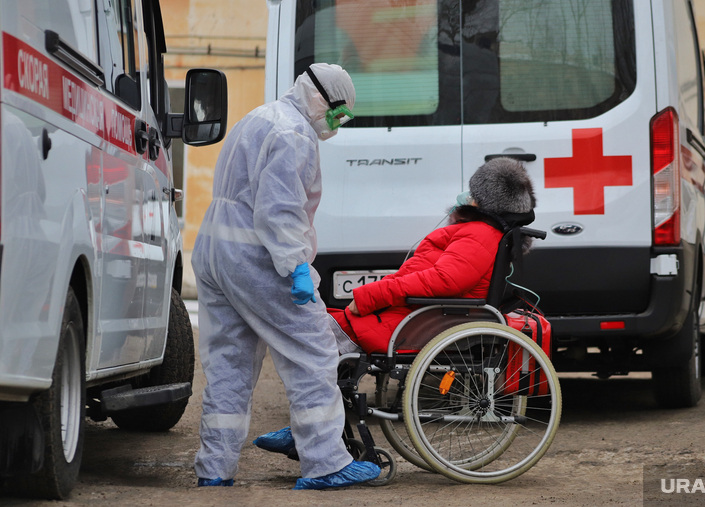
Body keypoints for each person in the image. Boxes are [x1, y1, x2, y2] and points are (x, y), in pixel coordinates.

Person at [192, 63, 381, 490]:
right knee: (314, 350)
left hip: (213, 251)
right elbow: (278, 211)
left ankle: (215, 469)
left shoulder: (257, 117)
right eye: (338, 116)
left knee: (229, 364)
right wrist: (296, 266)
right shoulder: (293, 134)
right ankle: (325, 460)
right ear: (320, 99)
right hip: (255, 257)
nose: (337, 126)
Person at [330, 157, 536, 355]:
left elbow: (445, 279)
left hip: (418, 322)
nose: (467, 196)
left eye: (473, 193)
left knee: (312, 336)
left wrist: (374, 295)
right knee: (314, 328)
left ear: (484, 202)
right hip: (416, 315)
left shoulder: (479, 234)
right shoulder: (480, 232)